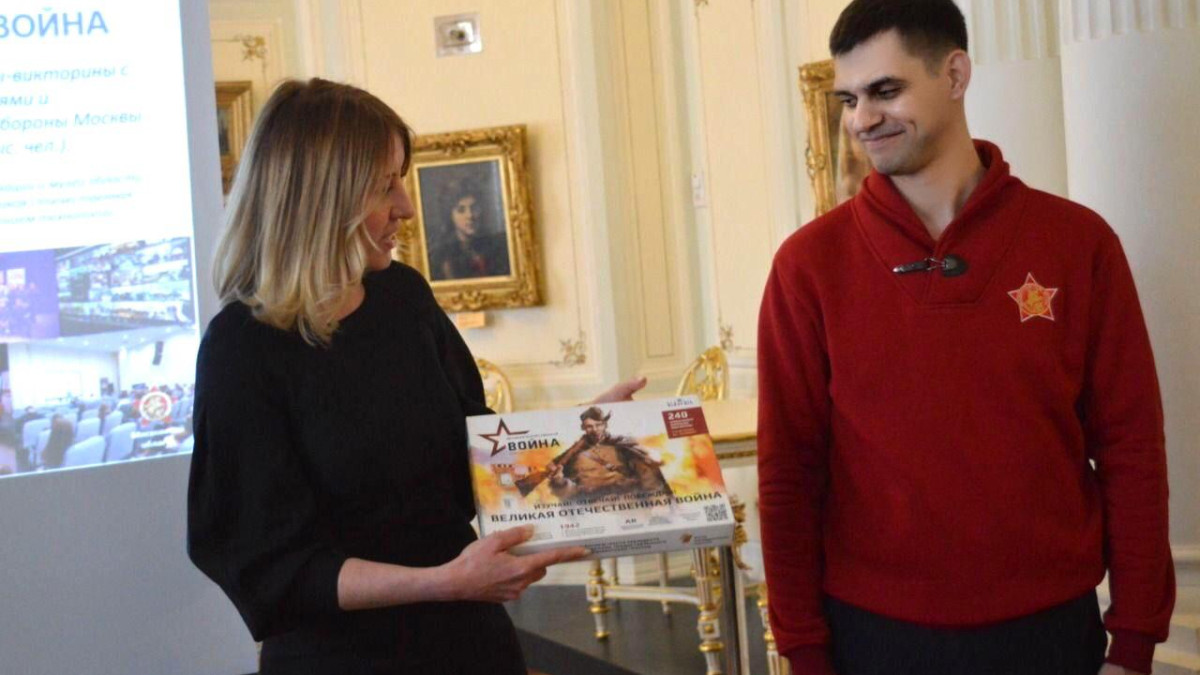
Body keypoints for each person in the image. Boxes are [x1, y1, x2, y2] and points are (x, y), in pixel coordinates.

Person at [756, 2, 1174, 675]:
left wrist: (1134, 639)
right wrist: (803, 649)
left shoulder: (1078, 243)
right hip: (873, 639)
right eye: (850, 98)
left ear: (954, 75)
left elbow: (1132, 449)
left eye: (886, 90)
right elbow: (788, 473)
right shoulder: (808, 265)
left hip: (1050, 633)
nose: (862, 118)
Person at [187, 78, 646, 674]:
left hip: (470, 642)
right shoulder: (242, 349)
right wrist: (443, 581)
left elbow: (476, 451)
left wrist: (577, 434)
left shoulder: (402, 297)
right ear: (322, 198)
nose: (405, 207)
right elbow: (269, 566)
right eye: (385, 186)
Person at [543, 406, 672, 501]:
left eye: (598, 425)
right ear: (583, 428)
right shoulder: (574, 453)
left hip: (628, 501)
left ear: (605, 425)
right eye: (589, 426)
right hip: (593, 509)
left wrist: (658, 503)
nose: (594, 430)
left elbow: (648, 476)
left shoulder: (623, 445)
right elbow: (567, 493)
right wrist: (559, 481)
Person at [427, 177, 512, 281]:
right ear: (450, 216)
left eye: (474, 208)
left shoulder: (499, 245)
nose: (470, 215)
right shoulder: (442, 256)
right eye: (461, 210)